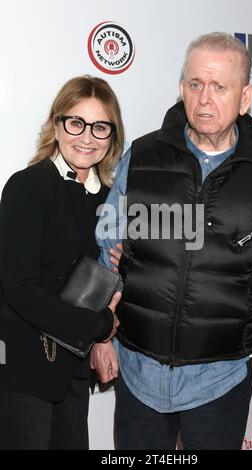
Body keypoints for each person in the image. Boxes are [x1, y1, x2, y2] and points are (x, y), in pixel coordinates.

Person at [95, 33, 252, 450]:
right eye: (195, 84)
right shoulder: (142, 156)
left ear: (246, 97)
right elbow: (107, 252)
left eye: (219, 86)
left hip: (220, 380)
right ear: (182, 88)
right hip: (139, 370)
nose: (204, 99)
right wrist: (101, 335)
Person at [0, 75, 124, 450]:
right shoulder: (28, 187)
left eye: (100, 126)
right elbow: (19, 290)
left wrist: (121, 269)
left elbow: (98, 279)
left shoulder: (107, 200)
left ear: (112, 136)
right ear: (57, 125)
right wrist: (99, 326)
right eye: (76, 123)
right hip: (25, 372)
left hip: (72, 369)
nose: (87, 137)